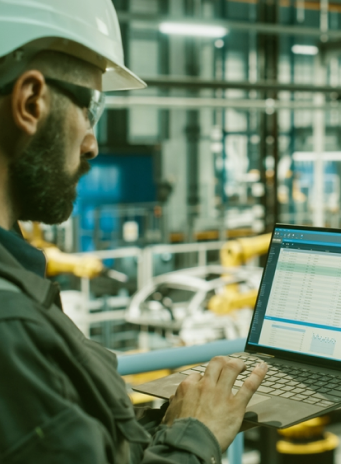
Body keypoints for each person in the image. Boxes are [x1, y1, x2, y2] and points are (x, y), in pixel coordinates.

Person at [0, 1, 267, 463]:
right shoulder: (11, 329)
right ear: (31, 102)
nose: (92, 144)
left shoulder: (17, 279)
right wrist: (197, 435)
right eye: (91, 109)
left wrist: (170, 427)